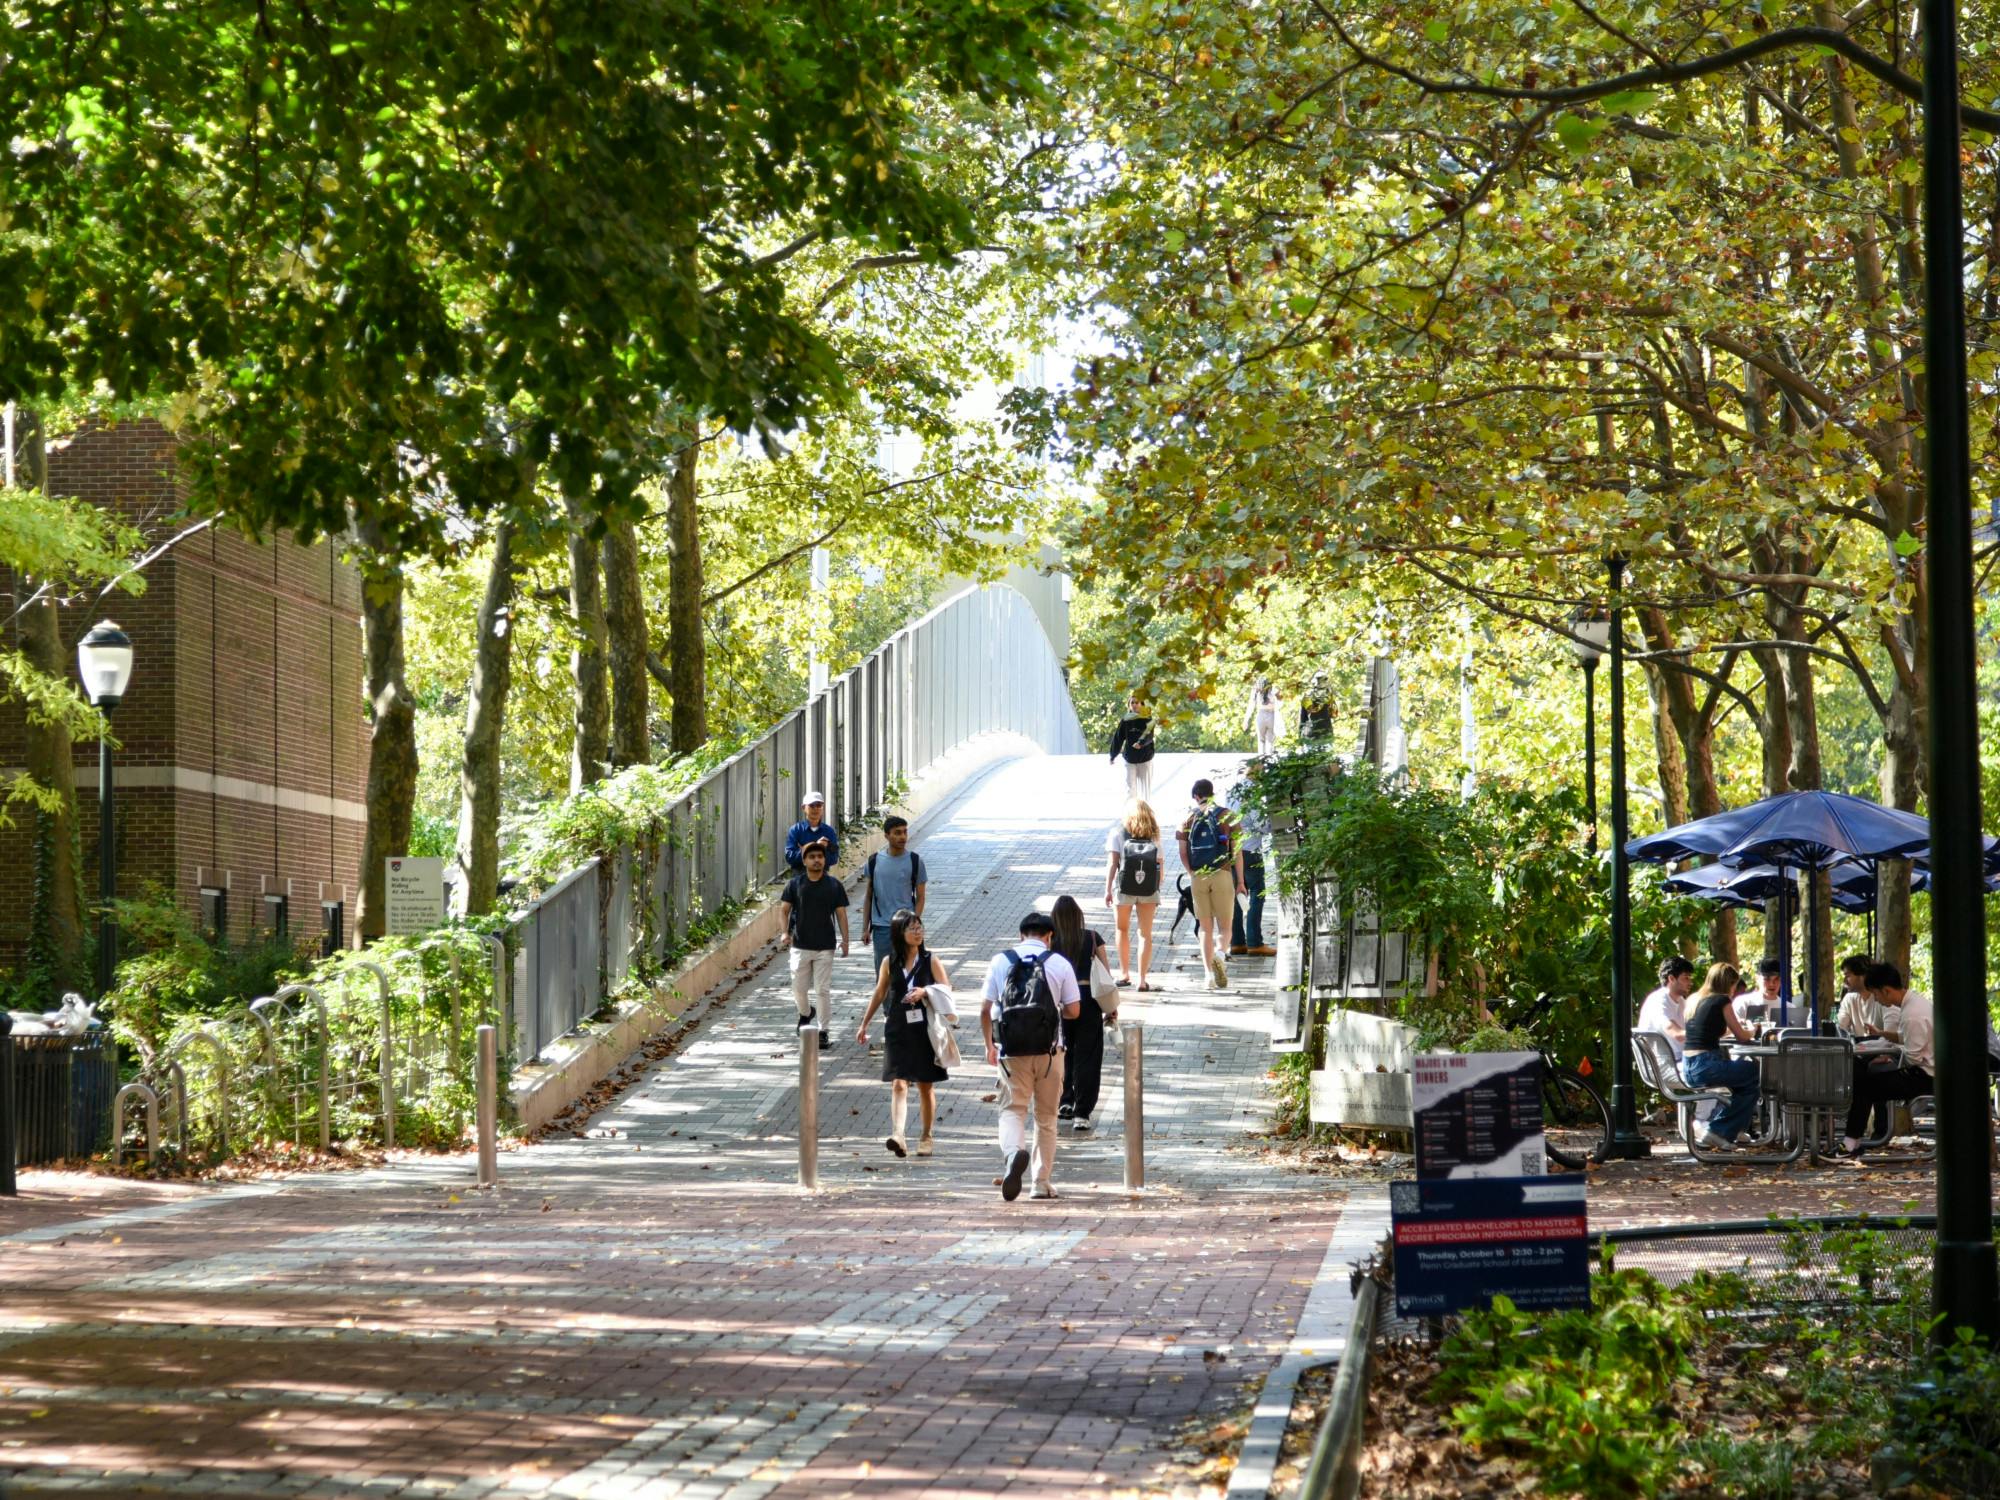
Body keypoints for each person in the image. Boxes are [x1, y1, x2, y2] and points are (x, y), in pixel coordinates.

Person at [980, 911, 1082, 1201]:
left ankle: (1014, 1154)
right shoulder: (1058, 963)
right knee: (1047, 1117)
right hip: (1051, 1051)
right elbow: (1075, 1011)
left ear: (1021, 934)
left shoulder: (1001, 961)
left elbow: (984, 1009)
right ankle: (1041, 1182)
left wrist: (990, 1045)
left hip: (1011, 1052)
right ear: (1049, 937)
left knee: (1012, 1110)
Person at [854, 908, 951, 1158]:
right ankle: (898, 1134)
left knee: (925, 1085)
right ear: (900, 932)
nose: (918, 932)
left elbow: (946, 988)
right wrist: (864, 1023)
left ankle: (926, 1136)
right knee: (898, 1082)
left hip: (924, 1028)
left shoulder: (931, 960)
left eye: (920, 927)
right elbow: (880, 992)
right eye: (912, 928)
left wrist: (925, 992)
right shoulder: (890, 961)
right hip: (897, 1026)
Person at [1841, 963, 1933, 1155]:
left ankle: (1850, 1144)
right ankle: (1853, 1142)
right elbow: (1907, 1039)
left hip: (1926, 1075)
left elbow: (1912, 1057)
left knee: (1866, 1087)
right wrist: (1884, 1035)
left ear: (1886, 991)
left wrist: (1887, 1053)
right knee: (1869, 1082)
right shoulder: (1914, 1002)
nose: (1876, 999)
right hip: (1925, 1069)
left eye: (1875, 994)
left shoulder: (1911, 1014)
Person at [1680, 962, 1763, 1151]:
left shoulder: (1695, 998)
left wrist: (1731, 1029)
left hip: (1690, 1066)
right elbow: (1742, 1036)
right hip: (1707, 1064)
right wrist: (1752, 1029)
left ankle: (1729, 1129)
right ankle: (1720, 1130)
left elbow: (1706, 1031)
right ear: (1729, 984)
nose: (1734, 991)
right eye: (1734, 986)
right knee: (1757, 1075)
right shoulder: (1722, 1000)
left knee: (1745, 1079)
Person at [780, 843, 849, 1049]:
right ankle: (805, 1013)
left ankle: (823, 1031)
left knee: (822, 990)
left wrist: (845, 940)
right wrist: (784, 932)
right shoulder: (795, 884)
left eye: (820, 856)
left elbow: (841, 914)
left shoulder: (834, 885)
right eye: (812, 857)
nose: (817, 860)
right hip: (800, 945)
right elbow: (784, 910)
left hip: (825, 947)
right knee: (798, 988)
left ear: (825, 860)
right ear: (804, 861)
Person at [1177, 778, 1244, 991]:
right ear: (1212, 793)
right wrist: (1240, 881)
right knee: (1225, 926)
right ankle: (1221, 954)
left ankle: (1208, 976)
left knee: (1205, 928)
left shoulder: (1188, 818)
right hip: (1223, 873)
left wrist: (1192, 873)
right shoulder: (1228, 816)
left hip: (1199, 877)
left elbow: (1182, 852)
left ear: (1196, 796)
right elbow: (1237, 852)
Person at [1051, 895, 1111, 1134]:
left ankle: (1064, 1099)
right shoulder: (1092, 938)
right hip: (1088, 999)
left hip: (1060, 1002)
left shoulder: (1051, 941)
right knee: (1088, 1056)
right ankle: (1082, 1112)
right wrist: (1111, 1007)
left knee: (1064, 1051)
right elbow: (1106, 975)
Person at [1104, 798, 1164, 991]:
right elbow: (1160, 864)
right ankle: (1143, 979)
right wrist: (1156, 885)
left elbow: (1113, 863)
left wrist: (1107, 890)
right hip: (1148, 888)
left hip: (1124, 888)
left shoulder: (1117, 833)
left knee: (1122, 929)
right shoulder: (1154, 835)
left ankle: (1124, 974)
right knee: (1145, 934)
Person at [857, 815, 927, 970]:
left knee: (910, 972)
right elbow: (869, 896)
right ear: (887, 836)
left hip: (906, 926)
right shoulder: (874, 861)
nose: (902, 837)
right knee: (884, 973)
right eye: (897, 833)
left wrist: (914, 923)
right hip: (882, 928)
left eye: (904, 832)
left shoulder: (915, 861)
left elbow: (921, 897)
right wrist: (865, 928)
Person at [1227, 781, 1272, 958]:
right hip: (1251, 851)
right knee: (1257, 894)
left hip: (1233, 850)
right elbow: (1261, 824)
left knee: (1237, 895)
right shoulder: (1250, 796)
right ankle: (1254, 942)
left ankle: (1237, 942)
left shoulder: (1231, 793)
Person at [1636, 956, 1697, 1059]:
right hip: (1666, 1066)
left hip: (1681, 1060)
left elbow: (1694, 1026)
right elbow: (1676, 1034)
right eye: (1686, 977)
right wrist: (1708, 1033)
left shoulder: (1681, 1001)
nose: (1690, 982)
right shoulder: (1658, 1001)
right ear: (1671, 978)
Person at [1107, 700, 1157, 801]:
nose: (1134, 705)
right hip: (1130, 759)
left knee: (1145, 792)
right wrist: (1113, 755)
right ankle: (1131, 814)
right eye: (1132, 703)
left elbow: (1148, 735)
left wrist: (1140, 743)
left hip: (1145, 759)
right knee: (1130, 790)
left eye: (1136, 702)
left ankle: (1145, 815)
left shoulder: (1148, 719)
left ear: (1142, 705)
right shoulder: (1125, 720)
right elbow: (1118, 738)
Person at [784, 791, 841, 874]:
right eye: (812, 805)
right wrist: (815, 847)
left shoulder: (829, 831)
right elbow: (790, 857)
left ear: (823, 808)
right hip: (800, 878)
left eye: (819, 805)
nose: (815, 809)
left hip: (822, 878)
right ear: (803, 807)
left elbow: (834, 858)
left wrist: (803, 850)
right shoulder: (796, 830)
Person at [1834, 954, 1889, 1039]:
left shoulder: (1883, 998)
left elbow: (1892, 1037)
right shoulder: (1849, 999)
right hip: (1860, 1051)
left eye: (1848, 976)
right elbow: (1839, 1030)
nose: (1844, 980)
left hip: (1883, 1051)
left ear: (1863, 976)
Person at [1245, 679, 1281, 756]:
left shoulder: (1269, 691)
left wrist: (1246, 720)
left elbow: (1251, 706)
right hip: (1266, 714)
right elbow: (1251, 705)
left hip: (1266, 714)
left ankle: (1265, 757)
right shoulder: (1259, 692)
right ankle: (1265, 758)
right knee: (1266, 740)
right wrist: (1246, 720)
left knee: (1266, 740)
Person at [1299, 673, 1333, 741]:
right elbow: (1334, 713)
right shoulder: (1329, 696)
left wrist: (1300, 735)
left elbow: (1303, 718)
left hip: (1311, 732)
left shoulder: (1307, 697)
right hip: (1326, 731)